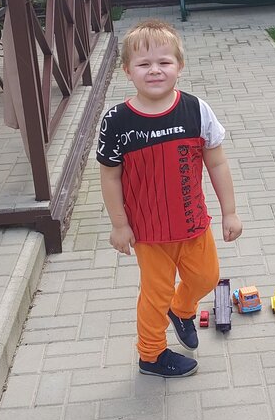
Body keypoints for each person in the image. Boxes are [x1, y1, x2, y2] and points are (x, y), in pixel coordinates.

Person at [97, 19, 243, 378]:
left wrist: (230, 212)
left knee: (207, 278)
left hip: (194, 224)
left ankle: (182, 310)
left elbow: (217, 163)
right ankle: (150, 355)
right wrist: (119, 225)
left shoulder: (196, 110)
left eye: (164, 61)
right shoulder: (116, 121)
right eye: (143, 63)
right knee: (154, 296)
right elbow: (110, 176)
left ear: (179, 65)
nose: (155, 70)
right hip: (149, 234)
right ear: (127, 70)